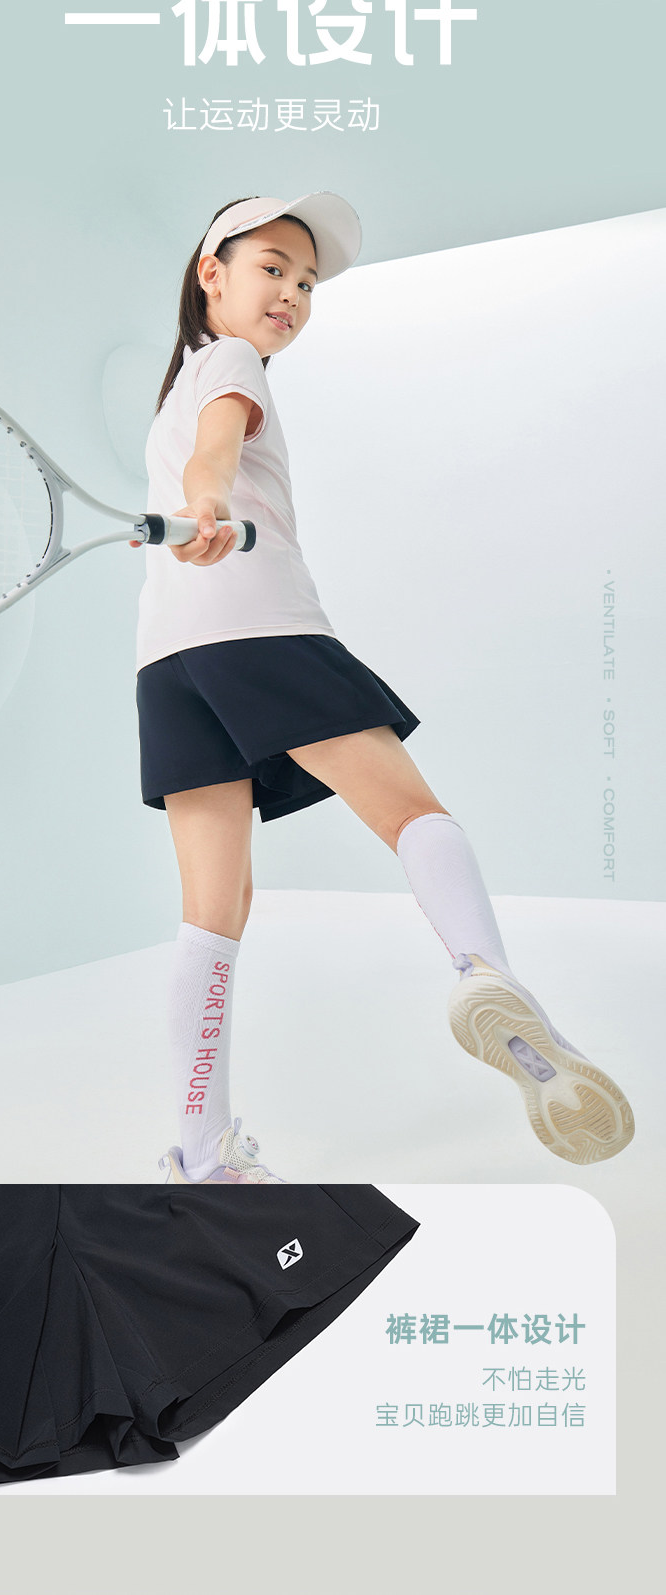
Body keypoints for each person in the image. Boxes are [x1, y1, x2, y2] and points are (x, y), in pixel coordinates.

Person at [133, 192, 634, 1183]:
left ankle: (200, 1154)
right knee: (411, 813)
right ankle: (484, 972)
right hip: (259, 629)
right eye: (272, 267)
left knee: (211, 913)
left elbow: (199, 455)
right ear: (210, 273)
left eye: (306, 281)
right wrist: (209, 499)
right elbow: (214, 456)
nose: (291, 292)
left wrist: (200, 499)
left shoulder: (179, 384)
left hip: (168, 663)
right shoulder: (229, 364)